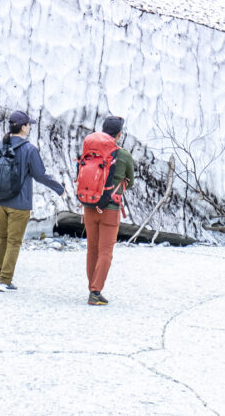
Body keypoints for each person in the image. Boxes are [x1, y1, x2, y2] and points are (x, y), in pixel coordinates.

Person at [0, 109, 64, 291]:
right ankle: (5, 281)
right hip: (19, 203)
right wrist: (59, 189)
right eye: (28, 124)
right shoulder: (29, 149)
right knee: (14, 241)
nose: (30, 127)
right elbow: (40, 175)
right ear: (23, 127)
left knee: (2, 237)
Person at [83, 115, 134, 306]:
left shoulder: (90, 149)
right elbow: (132, 180)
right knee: (106, 251)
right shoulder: (123, 154)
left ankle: (92, 287)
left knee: (92, 249)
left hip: (89, 205)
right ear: (119, 134)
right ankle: (95, 292)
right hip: (111, 208)